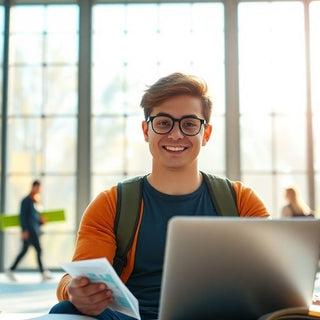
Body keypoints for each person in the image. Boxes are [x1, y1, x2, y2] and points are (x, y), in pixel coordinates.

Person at [50, 72, 270, 320]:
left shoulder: (241, 201)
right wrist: (74, 290)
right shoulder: (111, 205)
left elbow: (273, 275)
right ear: (146, 131)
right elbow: (77, 278)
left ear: (205, 134)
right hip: (133, 318)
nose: (176, 135)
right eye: (164, 123)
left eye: (189, 124)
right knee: (64, 311)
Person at [6, 179, 52, 282]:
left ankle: (11, 270)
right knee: (39, 249)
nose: (39, 190)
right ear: (34, 187)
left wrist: (41, 221)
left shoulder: (35, 201)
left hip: (34, 230)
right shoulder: (26, 200)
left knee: (24, 250)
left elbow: (34, 218)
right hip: (30, 231)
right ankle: (43, 273)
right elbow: (23, 217)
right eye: (38, 187)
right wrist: (24, 230)